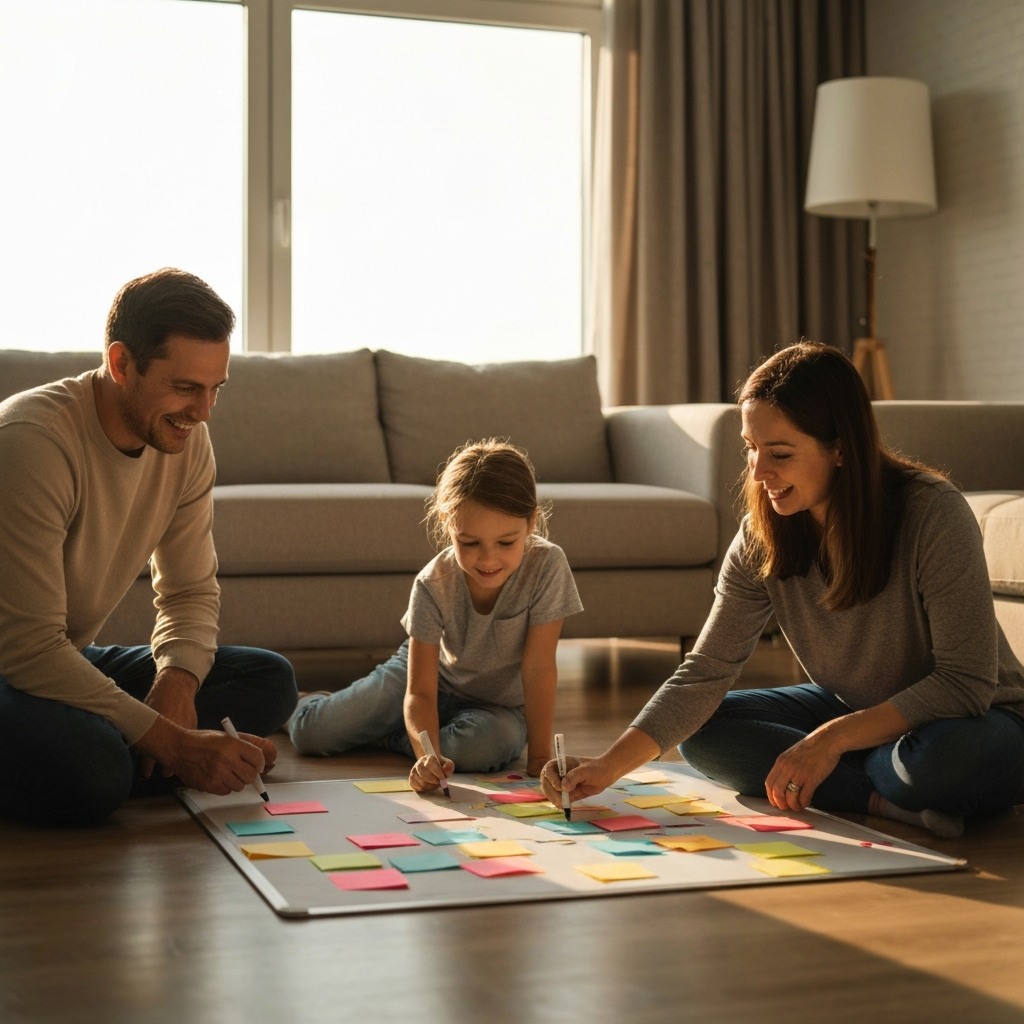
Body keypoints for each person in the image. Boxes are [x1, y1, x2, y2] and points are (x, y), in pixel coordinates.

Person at [541, 342, 1024, 838]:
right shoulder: (763, 534)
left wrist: (829, 741)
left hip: (976, 719)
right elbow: (704, 673)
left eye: (780, 454)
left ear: (840, 448)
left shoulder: (932, 513)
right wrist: (608, 766)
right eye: (751, 447)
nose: (757, 471)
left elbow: (965, 682)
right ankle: (882, 796)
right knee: (703, 732)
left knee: (940, 762)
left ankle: (871, 773)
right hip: (853, 708)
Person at [0, 269, 297, 827]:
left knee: (267, 679)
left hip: (58, 657)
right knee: (96, 771)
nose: (204, 411)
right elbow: (27, 648)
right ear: (120, 364)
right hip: (14, 662)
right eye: (186, 387)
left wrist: (175, 684)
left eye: (216, 389)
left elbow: (189, 592)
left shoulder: (186, 440)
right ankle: (137, 759)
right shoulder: (31, 444)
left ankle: (124, 751)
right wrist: (177, 744)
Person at [289, 439, 583, 791]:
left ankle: (396, 735)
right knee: (312, 735)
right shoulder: (433, 582)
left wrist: (538, 758)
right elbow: (420, 692)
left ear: (531, 522)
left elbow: (538, 668)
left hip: (497, 706)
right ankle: (305, 703)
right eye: (470, 543)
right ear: (447, 524)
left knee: (484, 747)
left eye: (506, 543)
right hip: (428, 678)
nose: (488, 560)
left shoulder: (548, 566)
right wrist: (426, 755)